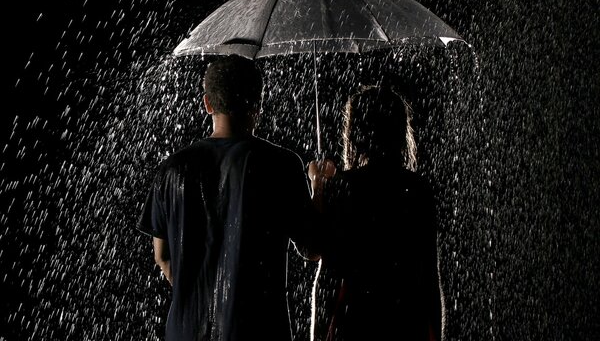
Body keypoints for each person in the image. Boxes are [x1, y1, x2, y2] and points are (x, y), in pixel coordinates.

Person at [137, 55, 322, 341]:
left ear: (207, 103)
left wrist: (203, 294)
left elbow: (162, 257)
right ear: (258, 104)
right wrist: (319, 187)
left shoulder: (172, 169)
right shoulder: (280, 165)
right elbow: (312, 248)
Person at [308, 84, 443, 341]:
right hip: (406, 321)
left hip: (356, 322)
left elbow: (328, 277)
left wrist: (319, 188)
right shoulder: (418, 190)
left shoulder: (343, 188)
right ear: (401, 133)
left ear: (355, 134)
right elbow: (429, 280)